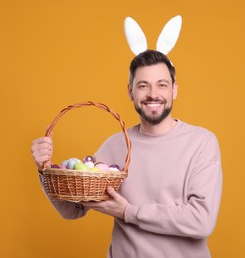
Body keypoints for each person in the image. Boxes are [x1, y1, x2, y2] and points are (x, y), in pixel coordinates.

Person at [31, 49, 223, 258]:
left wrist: (127, 212)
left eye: (162, 85)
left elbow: (201, 220)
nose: (152, 94)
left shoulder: (201, 143)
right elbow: (72, 210)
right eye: (143, 85)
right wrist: (45, 169)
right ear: (130, 91)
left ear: (174, 90)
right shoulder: (116, 145)